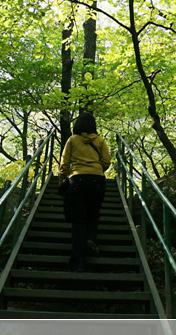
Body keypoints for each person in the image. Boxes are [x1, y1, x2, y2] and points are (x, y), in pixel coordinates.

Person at [58, 112, 111, 272]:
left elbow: (64, 163)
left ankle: (78, 261)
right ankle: (91, 239)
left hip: (77, 180)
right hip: (97, 180)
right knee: (94, 213)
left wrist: (61, 181)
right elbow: (107, 161)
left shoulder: (72, 140)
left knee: (78, 220)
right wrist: (96, 169)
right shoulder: (100, 140)